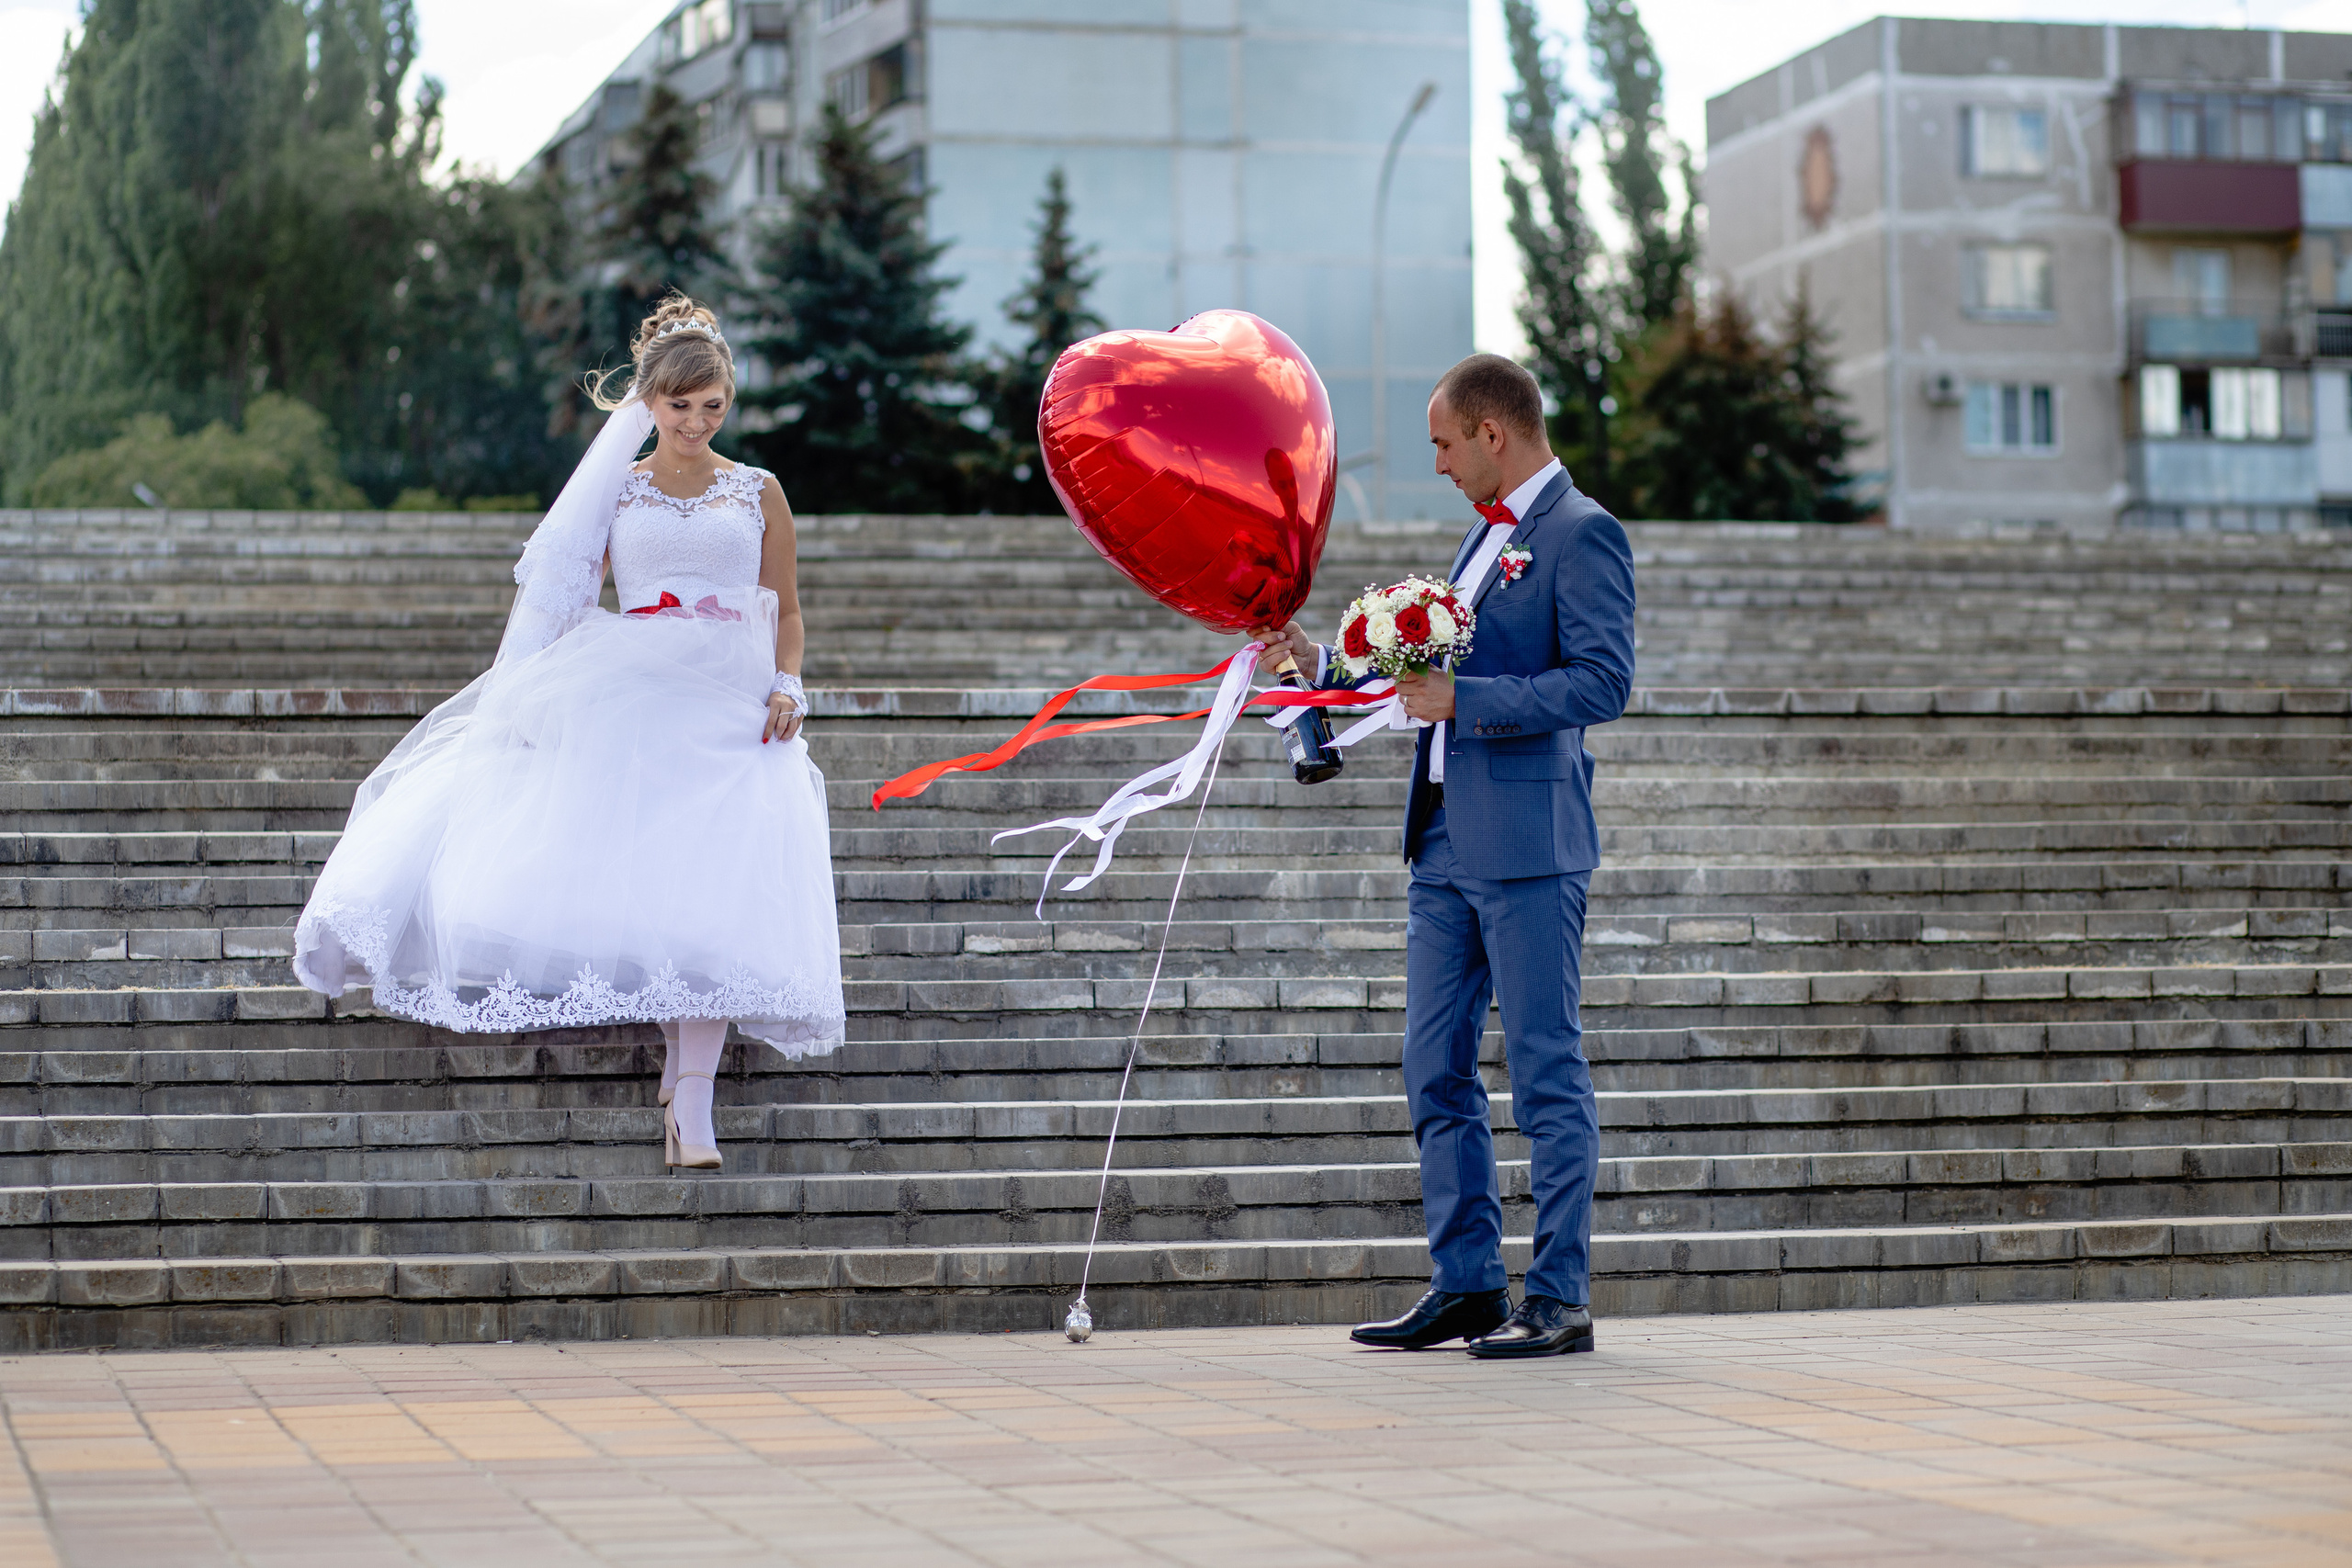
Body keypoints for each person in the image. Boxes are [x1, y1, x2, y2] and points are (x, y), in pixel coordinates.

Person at [295, 295, 846, 1172]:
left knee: (720, 888)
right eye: (679, 405)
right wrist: (539, 693)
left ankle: (692, 1092)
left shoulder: (760, 491)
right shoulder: (617, 490)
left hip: (733, 708)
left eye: (713, 406)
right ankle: (684, 1083)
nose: (697, 421)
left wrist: (789, 683)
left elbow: (787, 608)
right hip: (638, 696)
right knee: (669, 886)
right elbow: (567, 596)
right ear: (649, 403)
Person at [1254, 354, 1635, 1357]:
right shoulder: (1481, 535)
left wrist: (1470, 701)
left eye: (1440, 442)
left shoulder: (1582, 533)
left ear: (1491, 434)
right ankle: (1467, 1284)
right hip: (1440, 846)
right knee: (1433, 1069)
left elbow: (1601, 683)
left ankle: (1558, 1297)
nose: (1435, 462)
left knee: (1544, 1071)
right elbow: (1416, 679)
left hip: (1527, 845)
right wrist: (1322, 670)